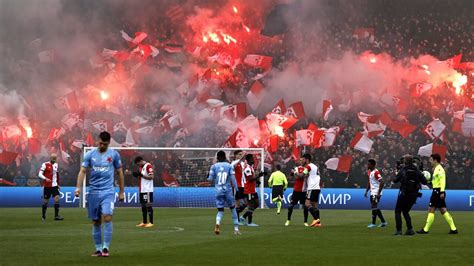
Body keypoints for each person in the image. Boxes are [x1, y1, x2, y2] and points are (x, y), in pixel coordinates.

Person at [74, 131, 125, 257]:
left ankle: (106, 248)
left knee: (107, 216)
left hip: (108, 191)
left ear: (109, 143)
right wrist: (78, 188)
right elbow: (82, 171)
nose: (103, 146)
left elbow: (119, 173)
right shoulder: (90, 155)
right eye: (101, 143)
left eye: (105, 144)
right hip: (93, 192)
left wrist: (122, 191)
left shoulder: (114, 154)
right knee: (96, 221)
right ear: (98, 141)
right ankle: (98, 249)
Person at [417, 154, 458, 234]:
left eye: (431, 160)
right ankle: (453, 229)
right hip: (437, 191)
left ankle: (425, 229)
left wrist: (442, 192)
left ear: (435, 160)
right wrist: (428, 182)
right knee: (443, 210)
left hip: (438, 192)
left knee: (431, 209)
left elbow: (442, 181)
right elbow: (435, 182)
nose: (430, 161)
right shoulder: (436, 169)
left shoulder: (439, 169)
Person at [392, 154, 427, 236]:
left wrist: (397, 172)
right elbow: (425, 181)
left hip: (404, 193)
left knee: (398, 211)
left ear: (405, 161)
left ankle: (399, 230)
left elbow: (395, 180)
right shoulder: (417, 170)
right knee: (405, 211)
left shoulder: (403, 170)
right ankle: (410, 229)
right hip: (414, 195)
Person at [207, 150, 240, 235]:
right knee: (233, 208)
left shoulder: (213, 166)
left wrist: (209, 175)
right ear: (225, 157)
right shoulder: (229, 166)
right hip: (227, 190)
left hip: (218, 191)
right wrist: (237, 189)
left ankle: (217, 223)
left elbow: (209, 180)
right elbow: (233, 179)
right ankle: (236, 229)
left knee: (220, 210)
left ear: (217, 158)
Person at [38, 153, 63, 221]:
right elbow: (39, 174)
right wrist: (45, 178)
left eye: (55, 159)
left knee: (57, 198)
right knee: (46, 201)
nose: (54, 160)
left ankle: (56, 216)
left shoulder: (56, 165)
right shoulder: (45, 164)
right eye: (53, 159)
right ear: (50, 158)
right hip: (47, 186)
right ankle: (43, 216)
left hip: (54, 186)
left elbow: (56, 175)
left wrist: (58, 184)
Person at [285, 158, 309, 227]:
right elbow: (296, 177)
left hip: (304, 191)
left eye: (302, 160)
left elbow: (302, 177)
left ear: (305, 161)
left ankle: (305, 221)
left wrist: (297, 174)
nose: (301, 161)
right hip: (296, 190)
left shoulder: (306, 169)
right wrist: (298, 175)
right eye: (300, 160)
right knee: (291, 206)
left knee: (305, 207)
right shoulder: (296, 168)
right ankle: (288, 220)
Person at [364, 159, 387, 228]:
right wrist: (366, 191)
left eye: (368, 164)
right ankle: (382, 222)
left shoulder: (376, 172)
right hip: (373, 192)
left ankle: (375, 223)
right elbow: (370, 182)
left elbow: (382, 182)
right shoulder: (370, 172)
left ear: (372, 165)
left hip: (376, 192)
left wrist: (378, 193)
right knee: (374, 206)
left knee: (374, 206)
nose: (367, 165)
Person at [133, 156, 155, 228]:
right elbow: (142, 178)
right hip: (142, 189)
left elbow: (151, 177)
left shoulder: (148, 166)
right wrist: (137, 176)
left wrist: (142, 175)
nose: (138, 165)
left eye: (138, 164)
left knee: (148, 205)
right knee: (143, 206)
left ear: (140, 161)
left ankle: (151, 222)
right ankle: (144, 222)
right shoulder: (142, 168)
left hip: (147, 189)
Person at [303, 153, 322, 227]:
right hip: (317, 187)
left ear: (307, 160)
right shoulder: (315, 166)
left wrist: (296, 173)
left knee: (307, 204)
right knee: (315, 206)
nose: (303, 161)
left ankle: (316, 218)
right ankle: (318, 223)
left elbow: (302, 174)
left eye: (304, 159)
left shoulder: (309, 166)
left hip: (311, 188)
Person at [240, 153, 260, 227]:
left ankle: (243, 217)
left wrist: (257, 181)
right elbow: (250, 179)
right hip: (248, 190)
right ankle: (249, 222)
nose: (254, 159)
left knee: (257, 204)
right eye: (252, 158)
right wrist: (259, 176)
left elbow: (252, 178)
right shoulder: (247, 168)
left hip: (253, 190)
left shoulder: (251, 167)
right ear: (249, 160)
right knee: (251, 206)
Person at [231, 150, 246, 216]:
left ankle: (237, 213)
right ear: (236, 155)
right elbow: (234, 166)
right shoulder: (233, 163)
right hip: (237, 185)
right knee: (237, 203)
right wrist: (241, 157)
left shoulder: (243, 163)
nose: (241, 155)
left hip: (243, 185)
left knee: (247, 202)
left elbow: (244, 173)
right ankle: (237, 219)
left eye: (241, 154)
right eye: (240, 154)